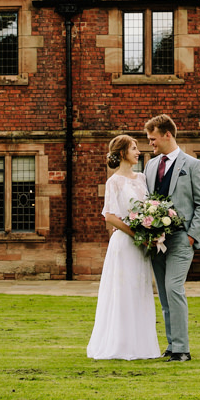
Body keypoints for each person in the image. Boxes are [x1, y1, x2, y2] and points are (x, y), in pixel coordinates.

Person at [86, 134, 161, 360]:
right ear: (121, 154)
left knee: (139, 289)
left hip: (141, 246)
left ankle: (141, 346)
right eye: (134, 148)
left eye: (138, 147)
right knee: (123, 291)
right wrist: (137, 233)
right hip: (124, 244)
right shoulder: (114, 181)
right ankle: (119, 344)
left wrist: (152, 227)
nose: (138, 151)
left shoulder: (141, 178)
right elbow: (109, 216)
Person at [143, 114, 200, 362]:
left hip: (182, 239)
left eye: (153, 139)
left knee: (174, 288)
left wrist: (192, 237)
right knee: (163, 293)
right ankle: (171, 345)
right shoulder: (150, 166)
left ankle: (182, 349)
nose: (151, 144)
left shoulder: (193, 165)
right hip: (157, 242)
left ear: (167, 135)